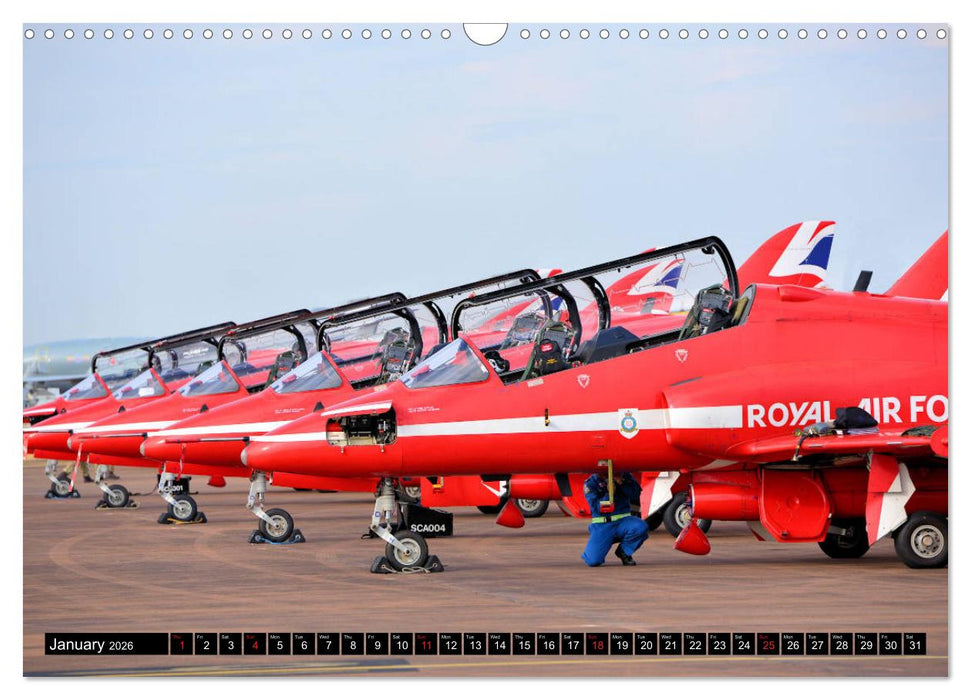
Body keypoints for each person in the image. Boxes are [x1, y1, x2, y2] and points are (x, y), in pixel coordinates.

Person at [581, 471, 649, 566]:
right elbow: (597, 508)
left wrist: (621, 482)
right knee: (593, 561)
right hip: (603, 525)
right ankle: (598, 540)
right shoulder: (591, 483)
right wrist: (610, 494)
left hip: (623, 522)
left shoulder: (625, 476)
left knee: (640, 527)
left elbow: (636, 494)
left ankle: (624, 551)